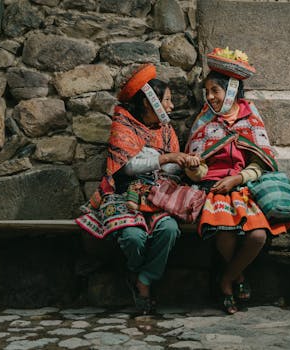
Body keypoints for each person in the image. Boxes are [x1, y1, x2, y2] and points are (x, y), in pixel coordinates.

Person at [185, 48, 290, 314]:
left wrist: (237, 177)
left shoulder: (250, 117)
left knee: (258, 236)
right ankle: (233, 282)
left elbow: (262, 160)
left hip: (244, 187)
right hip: (212, 189)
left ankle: (228, 276)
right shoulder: (205, 119)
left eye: (215, 90)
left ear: (231, 89)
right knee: (225, 232)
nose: (211, 97)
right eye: (208, 92)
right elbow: (198, 163)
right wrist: (195, 169)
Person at [76, 63, 198, 314]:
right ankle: (137, 272)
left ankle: (143, 279)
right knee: (133, 237)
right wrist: (165, 159)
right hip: (123, 194)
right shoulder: (123, 124)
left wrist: (186, 166)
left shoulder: (166, 130)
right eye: (167, 100)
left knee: (169, 229)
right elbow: (127, 166)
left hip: (158, 195)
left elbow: (171, 169)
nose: (171, 107)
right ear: (148, 102)